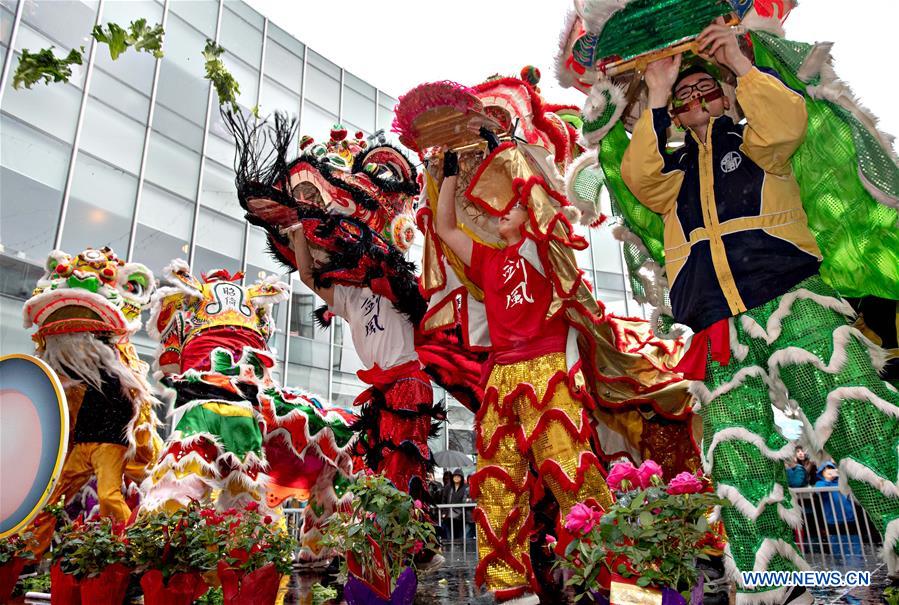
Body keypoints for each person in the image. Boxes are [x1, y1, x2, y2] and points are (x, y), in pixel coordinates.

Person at [621, 17, 899, 605]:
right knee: (736, 455)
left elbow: (786, 121)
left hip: (792, 298)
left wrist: (740, 64)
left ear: (726, 96)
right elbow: (637, 175)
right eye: (685, 95)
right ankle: (775, 588)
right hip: (716, 326)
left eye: (706, 88)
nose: (696, 99)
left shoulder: (757, 142)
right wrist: (658, 90)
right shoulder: (669, 177)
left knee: (857, 413)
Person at [435, 142, 614, 605]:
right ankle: (509, 586)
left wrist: (507, 154)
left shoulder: (542, 249)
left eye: (510, 205)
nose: (500, 212)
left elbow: (540, 200)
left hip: (548, 368)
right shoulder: (488, 260)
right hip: (502, 377)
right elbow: (445, 228)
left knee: (569, 472)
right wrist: (449, 175)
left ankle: (606, 573)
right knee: (497, 480)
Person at [815, 462, 862, 559]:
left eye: (831, 469)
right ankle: (839, 563)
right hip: (832, 520)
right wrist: (827, 480)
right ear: (821, 472)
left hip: (849, 518)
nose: (829, 472)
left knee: (854, 542)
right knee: (836, 545)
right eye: (826, 470)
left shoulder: (842, 482)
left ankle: (856, 561)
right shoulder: (820, 483)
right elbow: (818, 490)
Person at [442, 469, 468, 539]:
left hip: (461, 517)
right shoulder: (448, 487)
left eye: (458, 476)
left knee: (460, 536)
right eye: (455, 476)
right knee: (449, 536)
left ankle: (460, 546)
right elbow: (444, 500)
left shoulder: (465, 487)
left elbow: (466, 500)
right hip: (448, 516)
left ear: (462, 477)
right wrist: (444, 512)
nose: (456, 478)